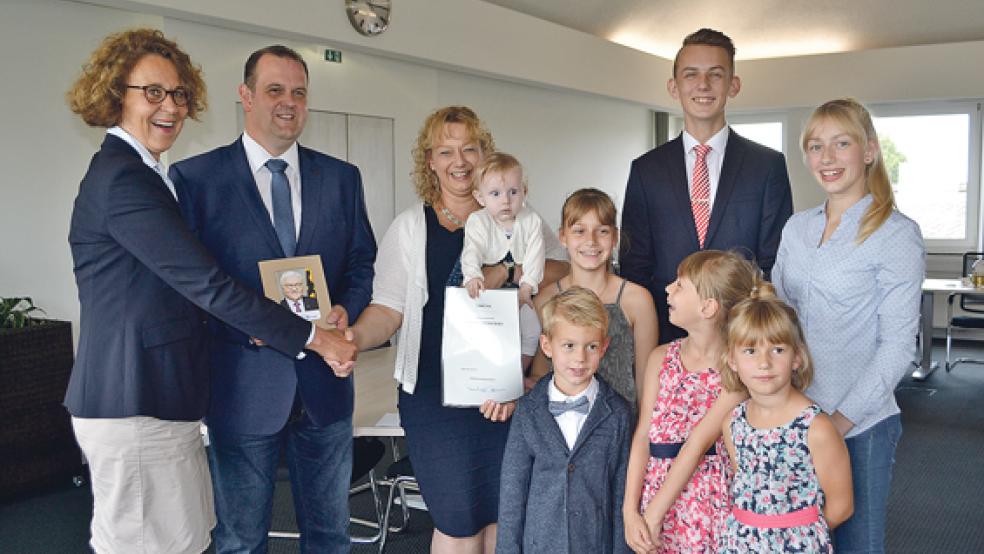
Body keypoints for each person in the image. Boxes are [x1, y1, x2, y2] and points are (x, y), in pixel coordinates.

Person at [64, 29, 354, 554]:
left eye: (177, 94)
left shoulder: (142, 175)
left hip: (157, 399)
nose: (169, 107)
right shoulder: (126, 181)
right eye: (152, 92)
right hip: (135, 396)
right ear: (115, 94)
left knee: (181, 540)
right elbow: (209, 286)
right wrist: (313, 336)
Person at [170, 44, 376, 553]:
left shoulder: (342, 178)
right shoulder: (197, 180)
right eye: (275, 90)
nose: (289, 103)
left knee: (331, 536)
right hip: (242, 387)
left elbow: (361, 264)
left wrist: (348, 306)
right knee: (240, 539)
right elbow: (191, 289)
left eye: (299, 93)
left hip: (324, 387)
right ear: (245, 95)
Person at [341, 106, 568, 553]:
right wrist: (352, 338)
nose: (459, 161)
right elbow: (387, 307)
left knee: (503, 513)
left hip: (503, 389)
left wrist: (504, 269)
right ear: (429, 160)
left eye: (469, 148)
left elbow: (558, 261)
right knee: (457, 518)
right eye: (446, 151)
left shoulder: (517, 212)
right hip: (434, 396)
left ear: (485, 153)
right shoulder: (410, 227)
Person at [772, 98, 924, 553]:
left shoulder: (896, 233)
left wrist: (835, 423)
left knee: (857, 545)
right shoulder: (796, 229)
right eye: (816, 147)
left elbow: (897, 348)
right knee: (794, 540)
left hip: (860, 426)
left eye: (842, 143)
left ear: (870, 150)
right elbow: (780, 315)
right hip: (791, 416)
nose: (827, 158)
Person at [619, 28, 793, 344]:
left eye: (715, 74)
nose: (703, 85)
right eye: (691, 75)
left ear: (733, 85)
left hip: (743, 339)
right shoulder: (646, 170)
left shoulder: (767, 166)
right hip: (666, 337)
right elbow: (635, 266)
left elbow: (775, 263)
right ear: (674, 86)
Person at [623, 250, 758, 554]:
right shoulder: (660, 358)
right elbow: (643, 435)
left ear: (708, 307)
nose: (668, 288)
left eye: (680, 285)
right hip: (653, 491)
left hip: (705, 501)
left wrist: (655, 513)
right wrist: (631, 511)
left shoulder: (734, 372)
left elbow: (696, 444)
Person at [497, 286, 633, 554]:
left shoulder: (617, 412)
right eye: (568, 346)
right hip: (540, 545)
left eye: (591, 346)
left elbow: (621, 496)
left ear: (604, 347)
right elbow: (512, 492)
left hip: (595, 544)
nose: (580, 358)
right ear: (547, 346)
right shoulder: (527, 411)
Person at [719, 288, 854, 553]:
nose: (764, 363)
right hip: (740, 544)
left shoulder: (816, 428)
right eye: (750, 351)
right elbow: (746, 489)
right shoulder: (733, 422)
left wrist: (795, 536)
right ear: (732, 360)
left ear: (798, 357)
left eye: (778, 349)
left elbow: (842, 506)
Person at [530, 188, 658, 410]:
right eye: (579, 231)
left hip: (622, 431)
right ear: (563, 236)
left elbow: (646, 385)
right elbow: (539, 376)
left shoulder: (637, 300)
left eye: (602, 231)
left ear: (615, 237)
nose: (591, 241)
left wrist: (640, 441)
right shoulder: (545, 300)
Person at [462, 152, 546, 367]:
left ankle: (518, 370)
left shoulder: (531, 220)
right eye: (495, 193)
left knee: (532, 329)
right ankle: (488, 371)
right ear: (480, 198)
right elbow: (472, 251)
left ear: (524, 193)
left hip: (521, 287)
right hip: (490, 287)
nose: (506, 200)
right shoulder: (478, 221)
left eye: (513, 192)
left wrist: (527, 286)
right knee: (490, 332)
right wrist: (472, 276)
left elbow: (535, 256)